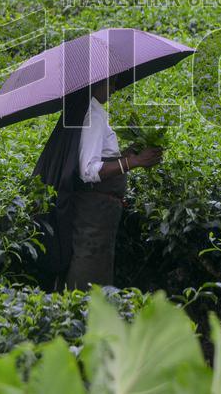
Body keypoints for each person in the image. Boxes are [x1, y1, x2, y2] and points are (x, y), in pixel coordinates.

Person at [32, 76, 162, 291]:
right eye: (109, 83)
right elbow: (89, 170)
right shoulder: (93, 114)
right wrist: (134, 161)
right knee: (89, 270)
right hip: (93, 213)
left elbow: (94, 156)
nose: (114, 88)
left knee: (92, 264)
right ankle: (78, 319)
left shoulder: (85, 110)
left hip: (95, 212)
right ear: (94, 83)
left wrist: (126, 156)